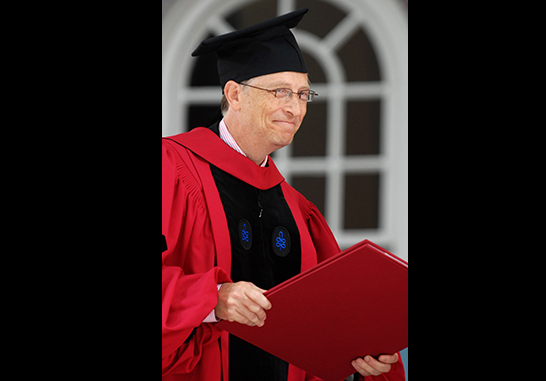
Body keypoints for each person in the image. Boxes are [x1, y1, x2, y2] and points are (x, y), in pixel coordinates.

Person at [162, 8, 405, 381]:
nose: (294, 108)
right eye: (280, 91)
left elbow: (326, 329)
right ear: (234, 94)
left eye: (304, 94)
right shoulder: (172, 171)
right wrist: (211, 298)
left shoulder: (296, 210)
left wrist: (361, 360)